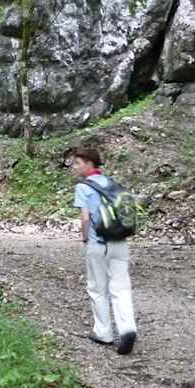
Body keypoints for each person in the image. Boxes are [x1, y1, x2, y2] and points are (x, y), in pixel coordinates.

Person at [71, 146, 137, 355]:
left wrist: (85, 239)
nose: (74, 167)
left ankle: (104, 333)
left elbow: (85, 218)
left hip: (98, 243)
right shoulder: (111, 183)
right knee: (121, 288)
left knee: (97, 288)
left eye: (77, 163)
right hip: (120, 242)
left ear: (89, 163)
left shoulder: (83, 187)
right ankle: (127, 329)